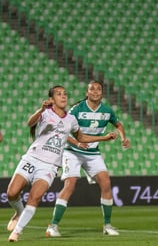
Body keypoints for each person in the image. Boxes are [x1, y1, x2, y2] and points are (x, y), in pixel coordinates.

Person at [6, 85, 117, 242]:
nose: (63, 96)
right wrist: (40, 110)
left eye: (65, 94)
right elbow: (29, 123)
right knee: (11, 193)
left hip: (50, 166)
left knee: (34, 197)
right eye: (59, 94)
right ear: (52, 99)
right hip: (32, 158)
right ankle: (18, 212)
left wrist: (103, 138)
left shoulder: (71, 120)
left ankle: (17, 232)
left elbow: (81, 137)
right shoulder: (45, 113)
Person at [45, 80, 131, 237]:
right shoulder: (77, 109)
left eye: (99, 89)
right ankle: (53, 226)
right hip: (72, 151)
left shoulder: (106, 111)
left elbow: (118, 125)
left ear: (102, 93)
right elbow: (63, 129)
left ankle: (107, 225)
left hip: (92, 153)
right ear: (87, 93)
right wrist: (77, 142)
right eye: (92, 89)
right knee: (70, 184)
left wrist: (123, 138)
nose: (96, 91)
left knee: (106, 183)